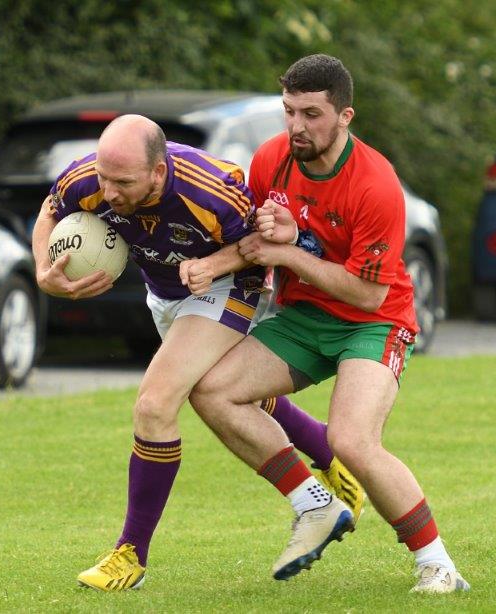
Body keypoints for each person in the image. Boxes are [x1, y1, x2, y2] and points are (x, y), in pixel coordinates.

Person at [30, 114, 364, 592]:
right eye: (104, 178)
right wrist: (44, 269)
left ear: (159, 172)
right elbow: (49, 212)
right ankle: (329, 454)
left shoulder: (215, 190)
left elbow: (264, 243)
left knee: (155, 403)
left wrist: (215, 263)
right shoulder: (87, 178)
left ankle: (131, 555)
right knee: (226, 391)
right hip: (165, 293)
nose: (108, 193)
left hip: (228, 285)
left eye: (122, 182)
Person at [189, 55, 471, 593]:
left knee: (351, 440)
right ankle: (312, 502)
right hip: (305, 317)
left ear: (345, 116)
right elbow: (256, 241)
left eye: (312, 114)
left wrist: (291, 252)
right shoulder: (271, 158)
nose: (296, 127)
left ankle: (438, 565)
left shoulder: (376, 185)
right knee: (211, 391)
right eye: (289, 111)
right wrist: (214, 262)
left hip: (374, 322)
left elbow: (369, 292)